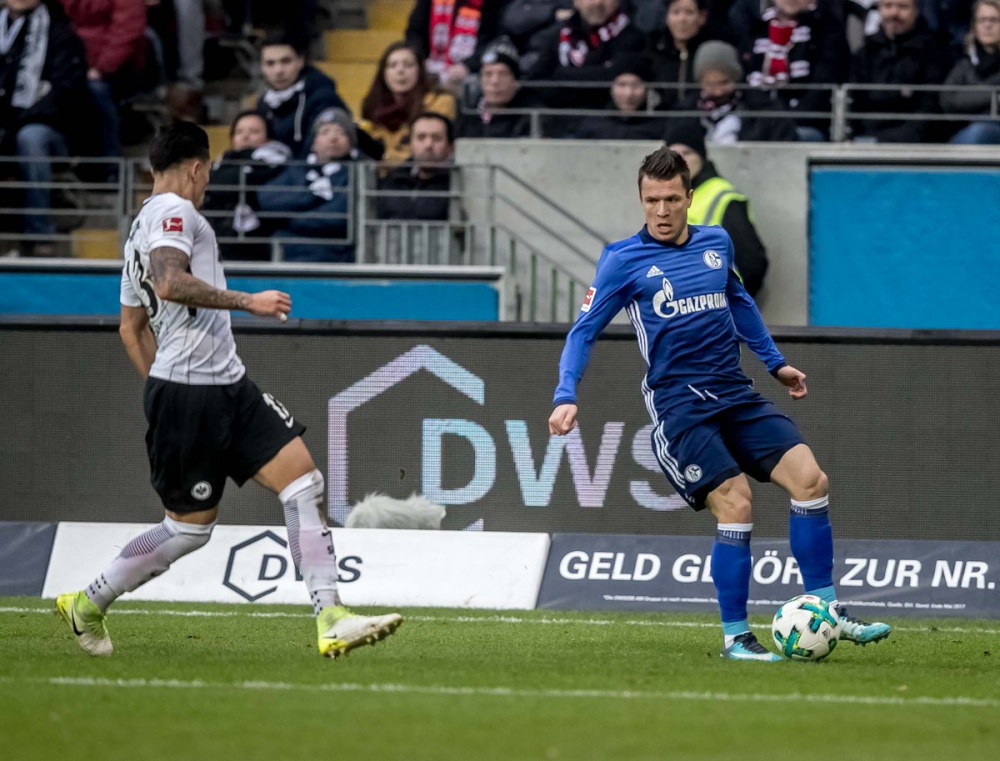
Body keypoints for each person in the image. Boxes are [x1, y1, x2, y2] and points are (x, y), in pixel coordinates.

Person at [55, 122, 401, 659]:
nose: (207, 184)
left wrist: (161, 388)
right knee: (189, 531)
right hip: (192, 393)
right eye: (209, 173)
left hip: (225, 384)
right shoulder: (175, 213)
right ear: (197, 168)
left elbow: (130, 328)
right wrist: (248, 302)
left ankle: (331, 617)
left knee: (303, 482)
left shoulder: (137, 231)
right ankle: (88, 602)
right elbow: (169, 282)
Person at [547, 146, 892, 661]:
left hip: (733, 392)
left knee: (811, 481)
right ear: (640, 201)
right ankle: (737, 637)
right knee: (736, 503)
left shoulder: (716, 242)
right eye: (651, 201)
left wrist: (775, 363)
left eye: (671, 199)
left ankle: (829, 609)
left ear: (689, 197)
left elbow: (739, 301)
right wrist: (565, 394)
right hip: (679, 407)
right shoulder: (622, 260)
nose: (661, 211)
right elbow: (583, 331)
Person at [0, 0, 93, 256]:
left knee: (31, 138)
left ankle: (39, 232)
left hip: (50, 128)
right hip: (7, 124)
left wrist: (18, 122)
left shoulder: (60, 35)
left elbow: (66, 93)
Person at [667, 122, 768, 297]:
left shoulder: (722, 196)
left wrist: (733, 302)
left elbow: (752, 263)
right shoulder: (669, 198)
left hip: (715, 305)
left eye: (687, 153)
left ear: (701, 156)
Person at [258, 107, 357, 263]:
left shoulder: (354, 174)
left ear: (351, 143)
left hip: (332, 255)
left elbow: (338, 217)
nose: (333, 138)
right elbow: (268, 199)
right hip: (286, 255)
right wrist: (312, 196)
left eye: (341, 133)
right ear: (313, 142)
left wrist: (288, 220)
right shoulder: (296, 169)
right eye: (325, 132)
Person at [848, 0, 954, 142]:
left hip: (914, 145)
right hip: (865, 140)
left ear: (916, 10)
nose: (894, 13)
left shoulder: (935, 53)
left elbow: (929, 111)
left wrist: (882, 141)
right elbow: (853, 103)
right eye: (888, 6)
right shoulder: (865, 53)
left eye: (902, 7)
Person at [201, 111, 292, 261]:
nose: (245, 137)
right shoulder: (221, 162)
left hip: (256, 242)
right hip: (216, 238)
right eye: (239, 132)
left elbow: (228, 181)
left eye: (254, 132)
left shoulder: (276, 161)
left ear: (269, 137)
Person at [673, 40, 799, 142]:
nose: (718, 92)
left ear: (736, 79)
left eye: (724, 83)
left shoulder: (765, 110)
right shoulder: (684, 111)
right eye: (710, 84)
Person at [359, 41, 456, 165]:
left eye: (408, 65)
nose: (400, 71)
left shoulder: (440, 102)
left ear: (420, 70)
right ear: (383, 73)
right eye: (392, 65)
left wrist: (385, 158)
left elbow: (430, 152)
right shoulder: (372, 106)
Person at [255, 31, 349, 158]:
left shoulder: (324, 99)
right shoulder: (263, 103)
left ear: (300, 61)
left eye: (286, 61)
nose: (278, 70)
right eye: (270, 63)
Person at [404, 0, 502, 90]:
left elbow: (492, 40)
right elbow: (415, 32)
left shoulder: (490, 3)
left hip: (471, 73)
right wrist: (420, 60)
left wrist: (468, 66)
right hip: (430, 69)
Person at [376, 112, 455, 221]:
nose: (428, 145)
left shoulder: (458, 186)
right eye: (421, 138)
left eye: (436, 138)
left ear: (450, 147)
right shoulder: (392, 181)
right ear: (410, 144)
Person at [940, 0, 1000, 144]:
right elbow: (949, 101)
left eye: (994, 20)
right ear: (974, 26)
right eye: (982, 20)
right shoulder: (963, 62)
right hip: (963, 131)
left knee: (980, 133)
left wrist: (971, 99)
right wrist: (994, 96)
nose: (987, 25)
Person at [571, 55, 668, 139]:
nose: (628, 94)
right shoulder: (591, 126)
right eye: (622, 85)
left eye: (636, 85)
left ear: (647, 89)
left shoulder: (662, 128)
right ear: (611, 88)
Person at [457, 36, 536, 139]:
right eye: (488, 74)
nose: (495, 81)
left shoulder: (530, 117)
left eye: (503, 74)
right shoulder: (468, 114)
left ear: (516, 81)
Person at [645, 0, 712, 110]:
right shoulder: (653, 54)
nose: (682, 19)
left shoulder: (711, 55)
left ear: (702, 17)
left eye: (689, 12)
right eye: (675, 12)